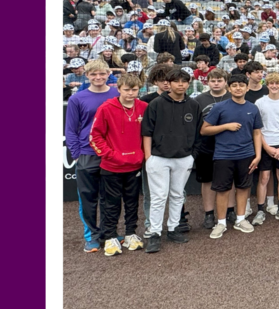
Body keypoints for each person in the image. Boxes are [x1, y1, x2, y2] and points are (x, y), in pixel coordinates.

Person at [141, 68, 201, 253]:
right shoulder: (156, 104)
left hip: (183, 158)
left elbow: (198, 132)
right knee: (159, 197)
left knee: (177, 195)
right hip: (158, 158)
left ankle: (173, 228)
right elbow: (146, 132)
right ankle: (155, 233)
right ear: (169, 83)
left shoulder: (193, 105)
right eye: (176, 81)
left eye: (184, 81)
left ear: (189, 83)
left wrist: (192, 155)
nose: (180, 85)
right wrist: (149, 157)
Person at [88, 71, 147, 256]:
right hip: (111, 166)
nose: (130, 93)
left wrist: (141, 155)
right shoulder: (106, 108)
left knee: (132, 202)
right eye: (127, 89)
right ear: (119, 89)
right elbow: (95, 136)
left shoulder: (144, 107)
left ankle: (130, 234)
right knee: (111, 204)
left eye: (134, 90)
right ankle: (110, 237)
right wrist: (111, 155)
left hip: (135, 165)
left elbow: (149, 134)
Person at [64, 59, 120, 251]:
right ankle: (92, 236)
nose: (98, 77)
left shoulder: (117, 94)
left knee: (110, 197)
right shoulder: (77, 98)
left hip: (111, 154)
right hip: (87, 153)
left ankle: (108, 233)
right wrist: (77, 154)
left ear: (108, 74)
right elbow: (71, 129)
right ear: (86, 75)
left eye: (102, 73)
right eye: (93, 74)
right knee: (88, 198)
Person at [201, 71, 264, 238]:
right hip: (223, 155)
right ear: (229, 88)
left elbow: (257, 133)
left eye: (241, 85)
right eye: (234, 86)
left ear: (247, 88)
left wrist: (258, 155)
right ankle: (221, 223)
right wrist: (225, 126)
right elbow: (204, 130)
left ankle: (241, 219)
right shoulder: (219, 107)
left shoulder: (253, 108)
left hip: (247, 155)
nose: (238, 88)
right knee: (223, 190)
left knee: (243, 188)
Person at [253, 72, 279, 224]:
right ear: (267, 85)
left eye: (277, 83)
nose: (274, 86)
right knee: (264, 178)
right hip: (265, 145)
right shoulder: (260, 102)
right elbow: (257, 128)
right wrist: (266, 147)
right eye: (271, 83)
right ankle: (260, 210)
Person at [192, 68, 230, 229]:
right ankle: (209, 213)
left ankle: (230, 210)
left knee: (229, 179)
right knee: (207, 180)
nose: (216, 83)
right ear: (207, 82)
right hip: (205, 145)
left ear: (225, 82)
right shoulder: (199, 99)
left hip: (229, 145)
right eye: (213, 81)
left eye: (219, 80)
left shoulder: (232, 97)